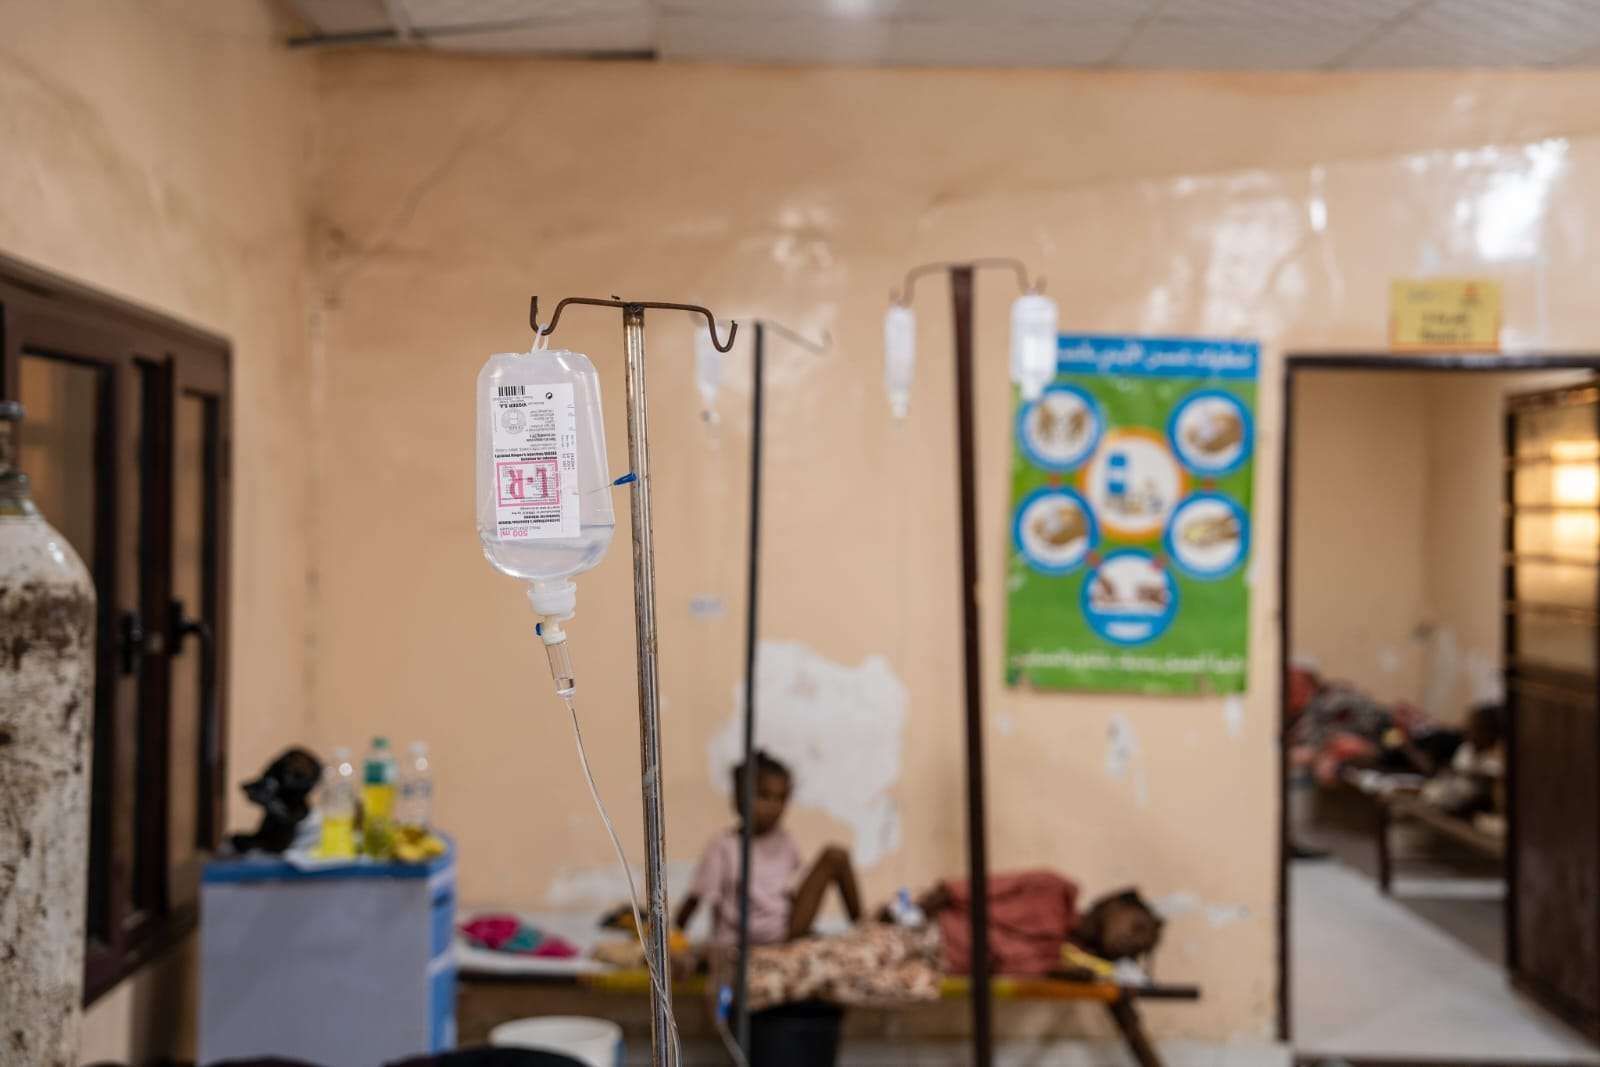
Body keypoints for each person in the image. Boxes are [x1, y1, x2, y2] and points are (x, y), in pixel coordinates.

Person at [676, 750, 862, 945]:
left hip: (783, 932)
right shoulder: (723, 846)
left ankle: (864, 929)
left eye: (781, 798)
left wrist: (804, 920)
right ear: (739, 797)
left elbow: (787, 892)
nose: (774, 806)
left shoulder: (784, 841)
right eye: (764, 796)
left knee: (836, 856)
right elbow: (695, 899)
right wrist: (676, 934)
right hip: (739, 941)